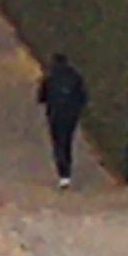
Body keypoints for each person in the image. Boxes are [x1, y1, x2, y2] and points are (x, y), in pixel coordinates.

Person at [36, 53, 89, 188]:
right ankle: (67, 170)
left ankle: (63, 174)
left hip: (55, 115)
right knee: (67, 141)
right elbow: (83, 97)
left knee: (58, 143)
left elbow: (41, 97)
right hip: (71, 115)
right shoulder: (75, 76)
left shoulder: (50, 78)